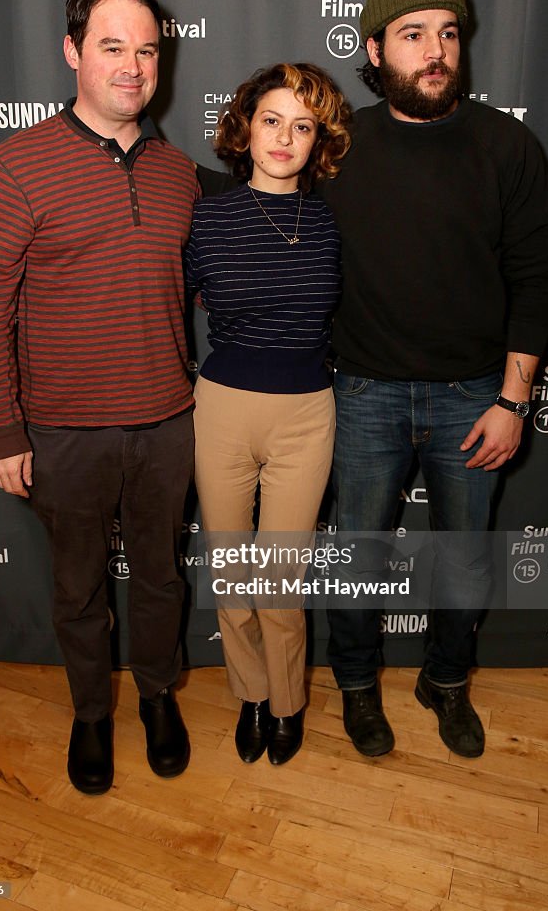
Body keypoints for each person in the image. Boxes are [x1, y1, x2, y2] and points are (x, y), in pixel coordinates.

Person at [320, 0, 548, 759]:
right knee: (356, 558)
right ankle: (356, 688)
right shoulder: (337, 147)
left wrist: (512, 400)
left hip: (475, 396)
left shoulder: (506, 145)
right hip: (363, 395)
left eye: (448, 34)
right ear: (375, 46)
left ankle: (444, 682)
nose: (434, 51)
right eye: (414, 34)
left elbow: (535, 279)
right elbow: (258, 203)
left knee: (466, 561)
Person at [0, 0, 198, 794]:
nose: (132, 67)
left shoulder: (180, 175)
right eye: (112, 47)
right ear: (72, 53)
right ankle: (91, 713)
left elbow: (199, 290)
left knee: (163, 577)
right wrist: (3, 431)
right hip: (62, 432)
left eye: (146, 50)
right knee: (78, 589)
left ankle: (159, 697)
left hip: (169, 423)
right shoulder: (18, 165)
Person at [186, 63, 351, 765]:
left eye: (302, 126)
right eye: (271, 120)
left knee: (281, 581)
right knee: (231, 573)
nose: (285, 137)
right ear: (244, 128)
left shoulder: (333, 221)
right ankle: (251, 695)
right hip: (220, 408)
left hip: (306, 414)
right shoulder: (205, 215)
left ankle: (287, 706)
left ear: (319, 140)